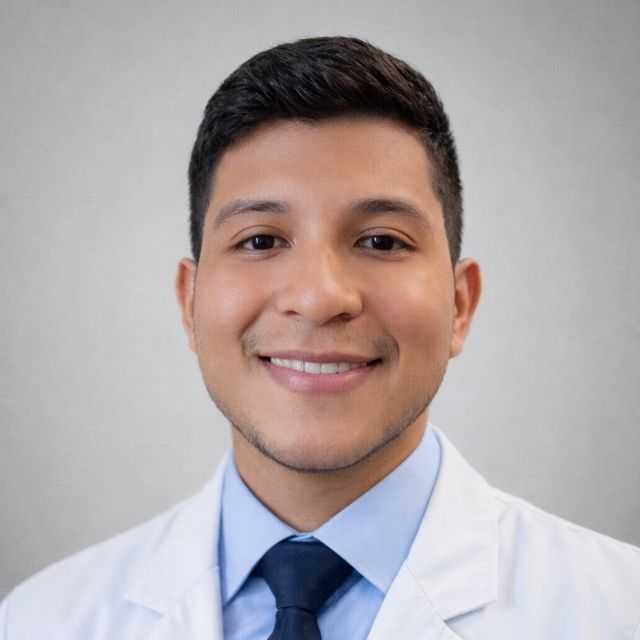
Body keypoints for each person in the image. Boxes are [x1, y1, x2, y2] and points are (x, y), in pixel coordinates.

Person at [1, 35, 639, 640]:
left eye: (381, 241)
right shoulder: (41, 621)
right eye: (261, 240)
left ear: (460, 304)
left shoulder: (617, 610)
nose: (319, 296)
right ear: (189, 304)